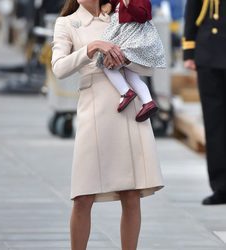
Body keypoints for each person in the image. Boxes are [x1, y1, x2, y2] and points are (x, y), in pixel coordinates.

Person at [51, 0, 164, 249]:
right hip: (94, 109)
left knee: (132, 194)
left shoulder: (122, 14)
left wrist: (125, 59)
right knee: (83, 195)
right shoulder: (67, 23)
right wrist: (90, 48)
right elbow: (58, 68)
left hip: (131, 110)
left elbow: (149, 64)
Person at [183, 0, 226, 205]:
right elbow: (193, 10)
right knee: (215, 125)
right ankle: (221, 187)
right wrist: (189, 51)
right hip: (209, 53)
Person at [97, 0, 166, 122]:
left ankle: (125, 92)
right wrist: (109, 6)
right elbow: (113, 4)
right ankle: (148, 101)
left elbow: (142, 17)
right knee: (132, 76)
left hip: (133, 39)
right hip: (124, 38)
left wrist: (130, 5)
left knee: (107, 65)